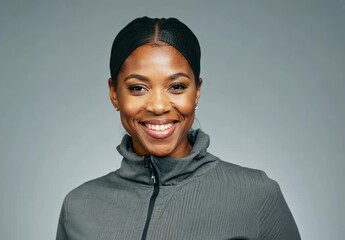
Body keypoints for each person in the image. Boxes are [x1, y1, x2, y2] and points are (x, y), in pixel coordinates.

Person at [56, 17, 301, 240]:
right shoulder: (79, 207)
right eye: (138, 88)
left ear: (197, 92)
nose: (159, 106)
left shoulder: (255, 196)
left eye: (176, 86)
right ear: (114, 94)